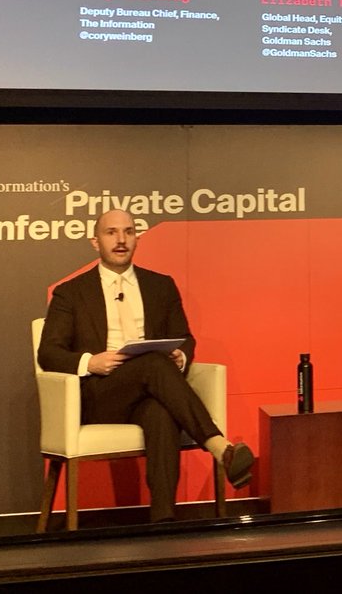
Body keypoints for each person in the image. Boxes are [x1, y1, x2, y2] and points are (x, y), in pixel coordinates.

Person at [37, 209, 253, 521]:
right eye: (111, 233)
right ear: (95, 242)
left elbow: (184, 338)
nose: (121, 239)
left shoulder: (161, 286)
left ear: (138, 238)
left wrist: (180, 356)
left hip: (150, 392)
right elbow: (49, 353)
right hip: (100, 393)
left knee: (162, 413)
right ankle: (219, 446)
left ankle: (163, 522)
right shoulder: (71, 292)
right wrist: (90, 362)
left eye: (128, 231)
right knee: (152, 363)